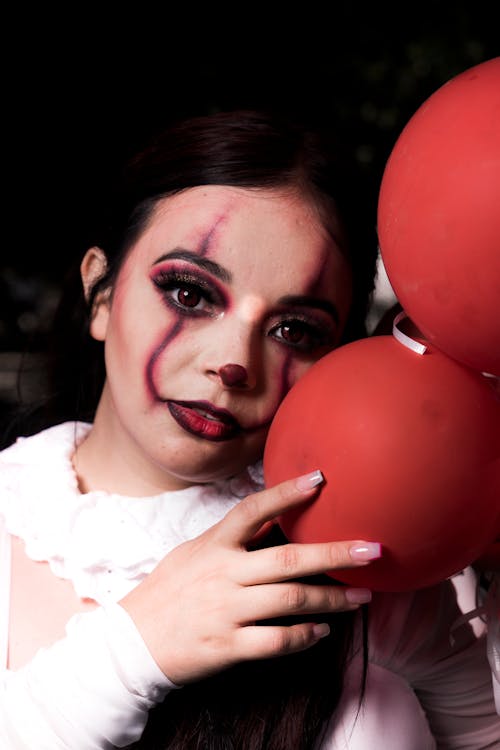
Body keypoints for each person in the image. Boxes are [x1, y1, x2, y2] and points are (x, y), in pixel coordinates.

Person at [0, 109, 498, 749]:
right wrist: (133, 652)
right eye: (189, 293)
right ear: (100, 293)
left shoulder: (367, 559)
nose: (234, 360)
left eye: (295, 330)